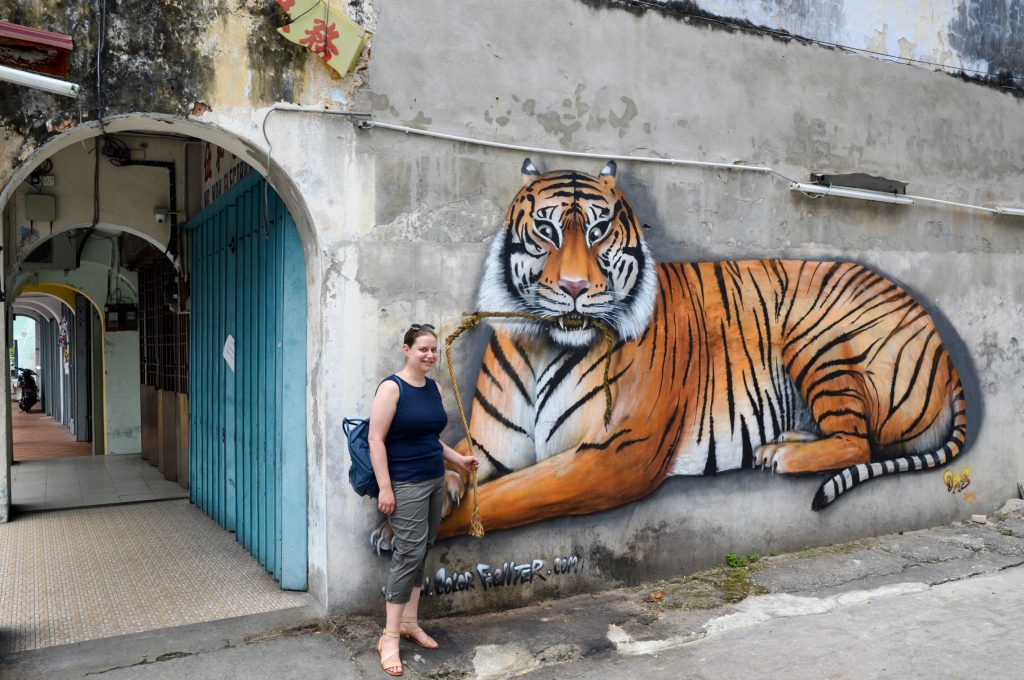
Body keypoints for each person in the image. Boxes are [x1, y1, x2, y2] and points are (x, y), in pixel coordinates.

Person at [368, 323, 478, 677]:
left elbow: (431, 437)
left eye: (433, 349)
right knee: (408, 554)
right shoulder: (392, 388)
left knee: (422, 549)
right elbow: (375, 440)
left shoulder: (432, 387)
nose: (429, 355)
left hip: (433, 479)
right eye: (422, 349)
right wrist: (385, 487)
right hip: (405, 483)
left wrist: (457, 460)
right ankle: (388, 637)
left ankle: (410, 623)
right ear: (406, 350)